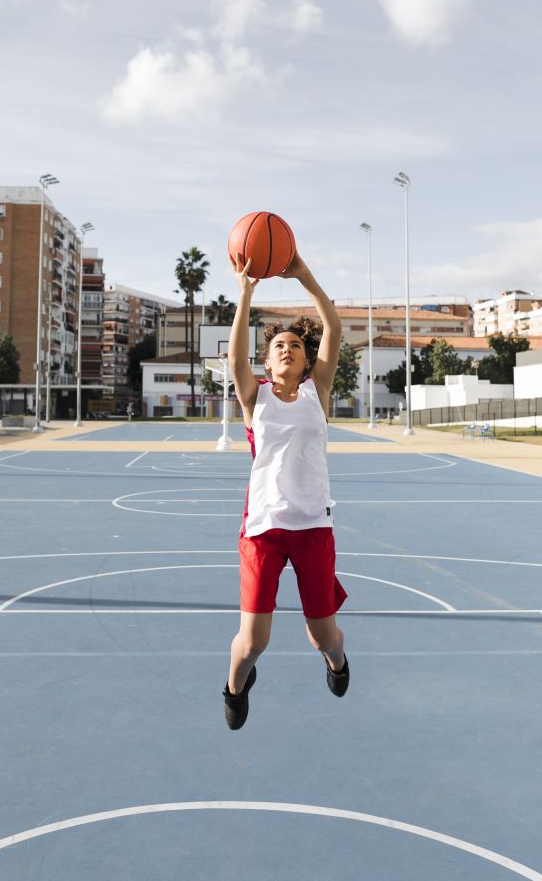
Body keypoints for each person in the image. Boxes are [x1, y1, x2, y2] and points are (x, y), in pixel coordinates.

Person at [223, 251, 349, 730]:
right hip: (263, 528)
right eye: (278, 344)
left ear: (305, 357)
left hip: (313, 525)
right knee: (253, 641)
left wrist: (305, 278)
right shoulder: (255, 398)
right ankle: (235, 686)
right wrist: (246, 294)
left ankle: (338, 662)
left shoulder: (318, 389)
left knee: (323, 637)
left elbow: (333, 330)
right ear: (267, 359)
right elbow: (235, 356)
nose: (287, 349)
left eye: (295, 344)